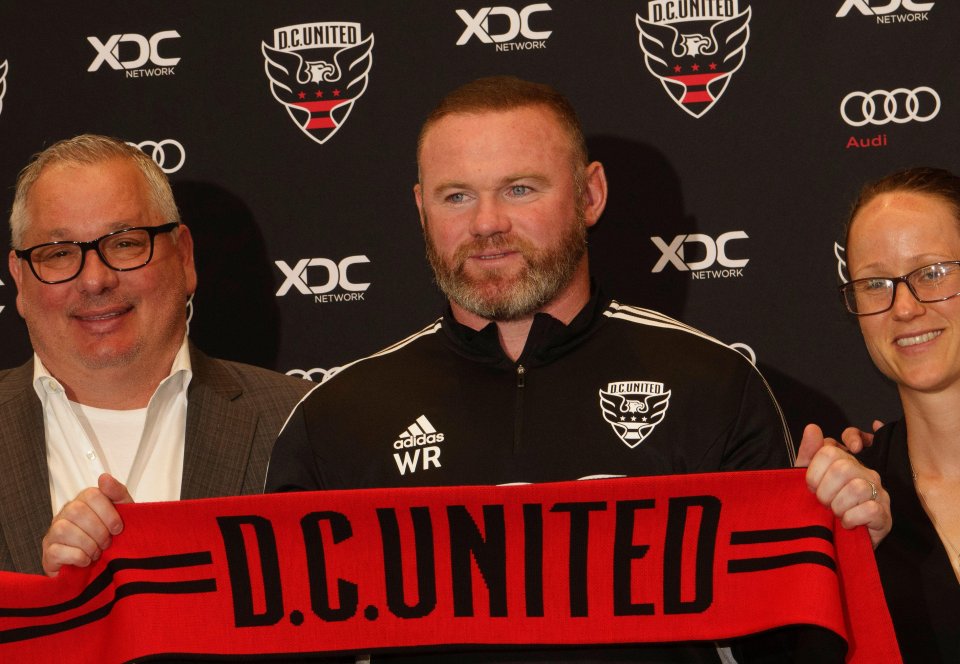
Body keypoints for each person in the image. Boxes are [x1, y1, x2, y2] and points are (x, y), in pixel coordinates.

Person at [265, 76, 889, 662]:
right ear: (421, 207)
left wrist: (836, 550)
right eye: (456, 195)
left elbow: (786, 648)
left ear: (590, 194)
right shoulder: (335, 418)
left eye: (520, 188)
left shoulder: (713, 385)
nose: (487, 223)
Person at [1, 134, 312, 576]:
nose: (94, 280)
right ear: (19, 279)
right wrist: (50, 607)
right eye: (59, 253)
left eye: (125, 243)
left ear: (184, 256)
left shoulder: (302, 423)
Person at [829, 167, 960, 663]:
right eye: (875, 283)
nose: (903, 308)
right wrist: (846, 557)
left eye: (931, 273)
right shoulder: (851, 500)